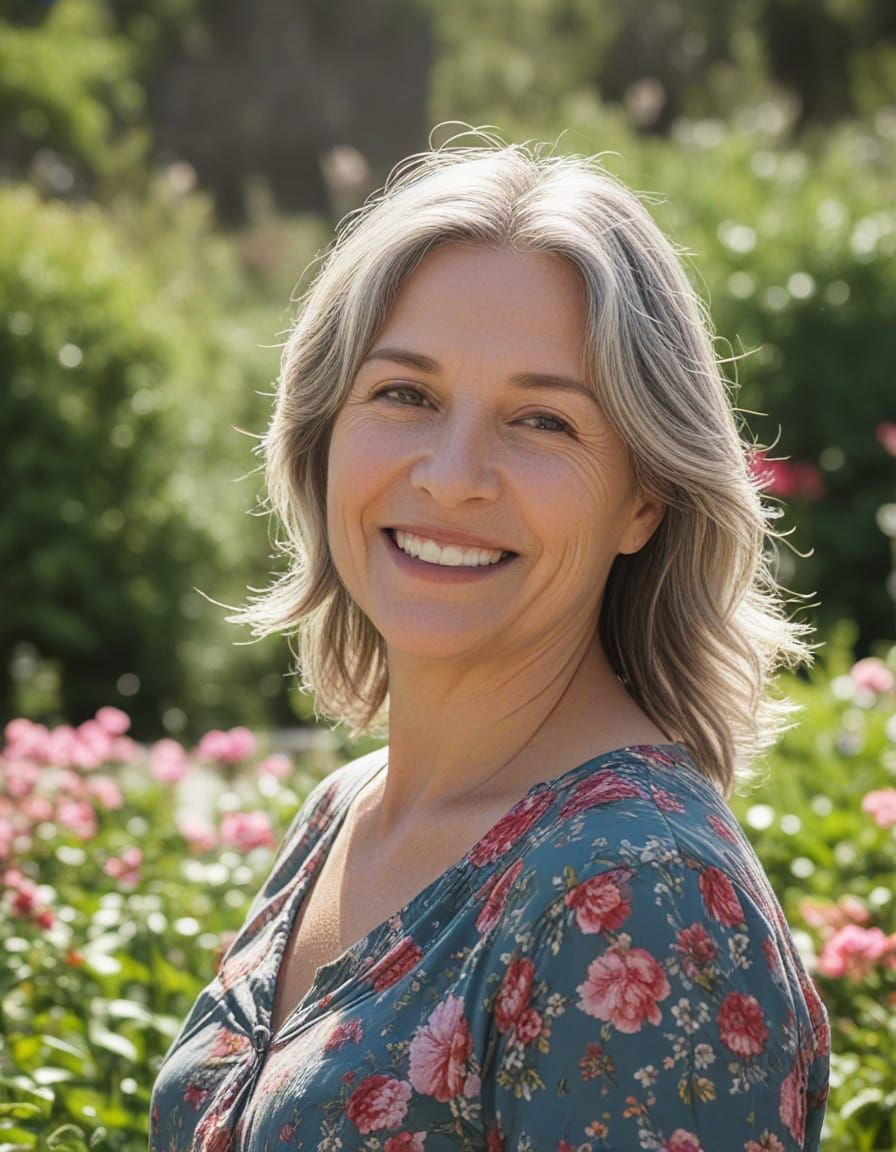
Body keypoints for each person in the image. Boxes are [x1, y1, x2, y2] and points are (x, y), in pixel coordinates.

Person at [149, 135, 830, 1152]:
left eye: (541, 421)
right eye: (405, 394)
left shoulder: (638, 895)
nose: (453, 475)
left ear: (643, 498)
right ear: (323, 433)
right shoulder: (342, 815)